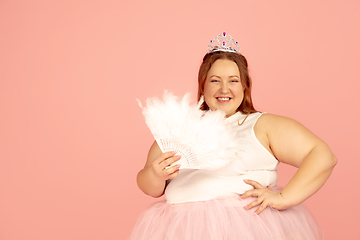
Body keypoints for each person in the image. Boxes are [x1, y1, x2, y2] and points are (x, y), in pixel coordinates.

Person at [129, 32, 337, 240]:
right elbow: (149, 186)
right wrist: (156, 175)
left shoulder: (262, 125)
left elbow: (322, 156)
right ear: (203, 85)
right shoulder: (178, 128)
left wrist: (284, 198)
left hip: (245, 229)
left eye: (233, 81)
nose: (224, 89)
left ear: (245, 86)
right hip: (179, 230)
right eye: (215, 80)